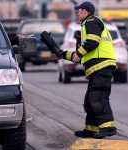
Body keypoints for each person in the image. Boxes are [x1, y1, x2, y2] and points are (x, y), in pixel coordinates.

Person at [41, 1, 117, 139]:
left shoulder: (92, 21)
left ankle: (108, 127)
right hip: (98, 67)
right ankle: (91, 129)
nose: (77, 13)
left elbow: (92, 42)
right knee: (90, 100)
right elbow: (78, 56)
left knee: (97, 97)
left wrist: (79, 53)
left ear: (86, 11)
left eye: (79, 10)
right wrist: (59, 52)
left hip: (102, 66)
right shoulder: (86, 27)